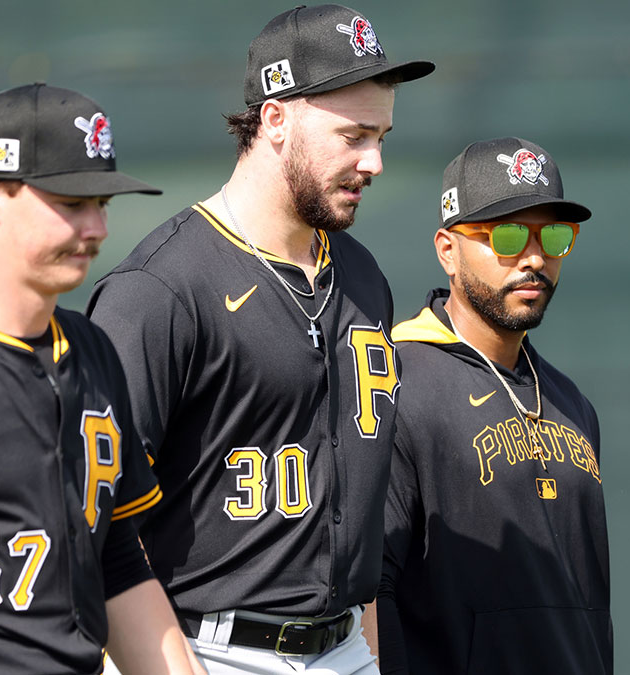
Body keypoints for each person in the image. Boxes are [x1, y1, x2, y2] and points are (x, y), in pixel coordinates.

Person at [86, 5, 433, 674]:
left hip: (347, 651)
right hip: (206, 649)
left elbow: (358, 509)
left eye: (383, 136)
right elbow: (94, 521)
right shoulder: (161, 288)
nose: (376, 161)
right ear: (275, 119)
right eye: (355, 135)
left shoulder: (362, 276)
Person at [0, 83, 195, 673]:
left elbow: (116, 561)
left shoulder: (92, 350)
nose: (98, 228)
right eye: (71, 202)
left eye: (102, 203)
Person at [376, 137, 612, 674]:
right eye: (506, 235)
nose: (534, 258)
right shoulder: (395, 381)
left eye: (552, 235)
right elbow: (369, 586)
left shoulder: (572, 402)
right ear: (447, 250)